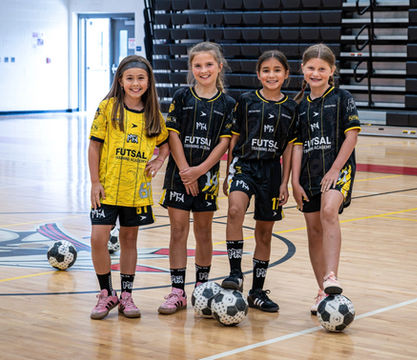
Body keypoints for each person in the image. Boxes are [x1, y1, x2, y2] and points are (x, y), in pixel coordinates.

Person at [157, 42, 235, 315]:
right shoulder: (181, 96)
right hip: (179, 175)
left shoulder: (228, 104)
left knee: (203, 233)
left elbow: (224, 143)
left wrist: (199, 171)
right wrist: (184, 170)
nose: (204, 70)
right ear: (191, 68)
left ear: (219, 66)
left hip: (207, 177)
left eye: (209, 65)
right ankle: (177, 290)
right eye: (198, 65)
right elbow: (173, 134)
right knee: (178, 231)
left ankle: (201, 288)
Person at [88, 55, 169, 320]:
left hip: (136, 192)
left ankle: (126, 295)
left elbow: (166, 142)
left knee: (129, 240)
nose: (135, 83)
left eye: (141, 78)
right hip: (107, 188)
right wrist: (94, 182)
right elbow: (94, 145)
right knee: (98, 239)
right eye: (130, 78)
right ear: (120, 81)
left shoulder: (153, 113)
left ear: (149, 81)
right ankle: (105, 293)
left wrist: (158, 159)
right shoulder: (109, 107)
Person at [221, 50, 297, 312]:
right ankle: (234, 274)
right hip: (244, 165)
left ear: (286, 74)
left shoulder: (292, 107)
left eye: (277, 70)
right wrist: (226, 172)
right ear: (258, 74)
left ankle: (257, 291)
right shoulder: (245, 101)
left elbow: (288, 148)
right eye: (266, 70)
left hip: (271, 172)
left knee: (264, 232)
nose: (271, 75)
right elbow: (233, 136)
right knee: (234, 211)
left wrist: (284, 182)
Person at [291, 44, 361, 315]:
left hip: (338, 169)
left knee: (328, 211)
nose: (316, 73)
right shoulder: (298, 106)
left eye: (322, 68)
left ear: (332, 71)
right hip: (308, 174)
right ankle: (322, 290)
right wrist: (294, 182)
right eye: (311, 68)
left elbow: (351, 136)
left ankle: (332, 276)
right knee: (313, 230)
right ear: (303, 69)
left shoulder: (343, 98)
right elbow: (296, 146)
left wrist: (334, 170)